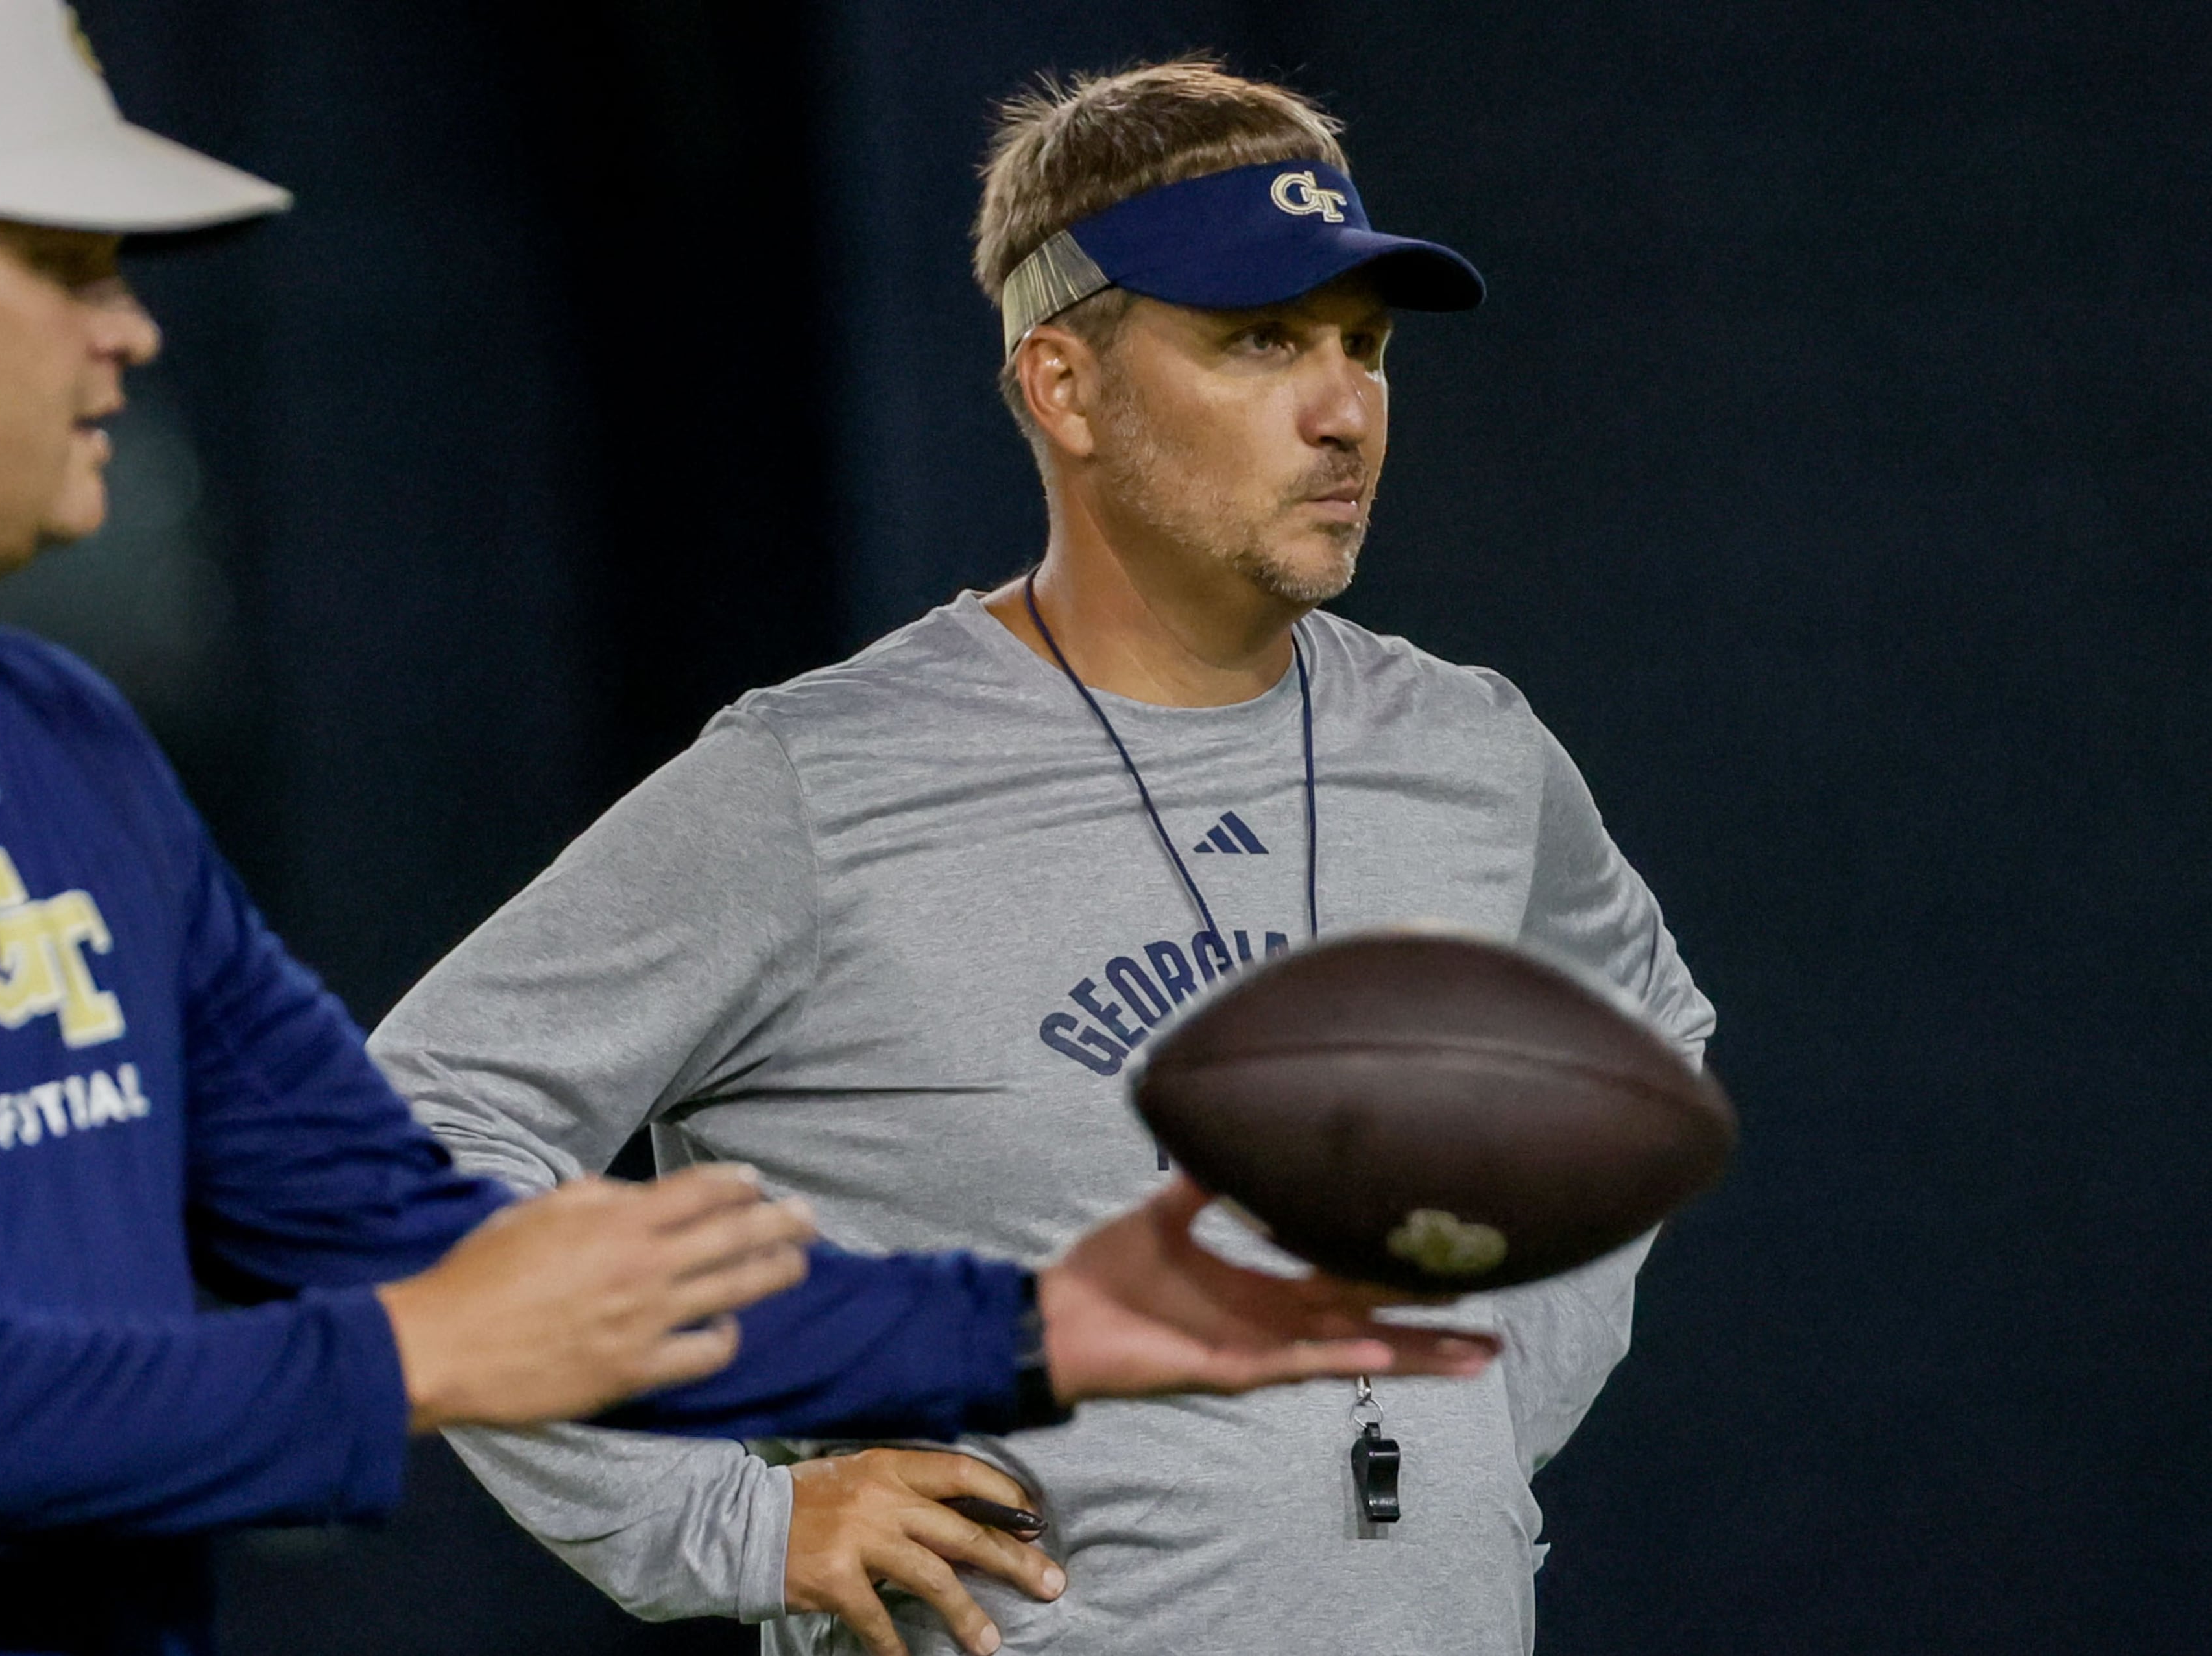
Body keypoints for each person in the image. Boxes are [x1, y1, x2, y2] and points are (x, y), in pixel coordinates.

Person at [0, 12, 1496, 1655]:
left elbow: (399, 1215)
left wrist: (1022, 1331)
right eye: (60, 266)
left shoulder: (56, 743)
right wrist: (425, 1363)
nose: (128, 326)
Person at [371, 58, 1718, 1656]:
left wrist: (1496, 1392)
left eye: (1365, 347)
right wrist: (729, 1518)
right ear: (1066, 387)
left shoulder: (1469, 754)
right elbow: (411, 1135)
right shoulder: (817, 780)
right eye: (1263, 339)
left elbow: (1644, 1046)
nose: (1344, 406)